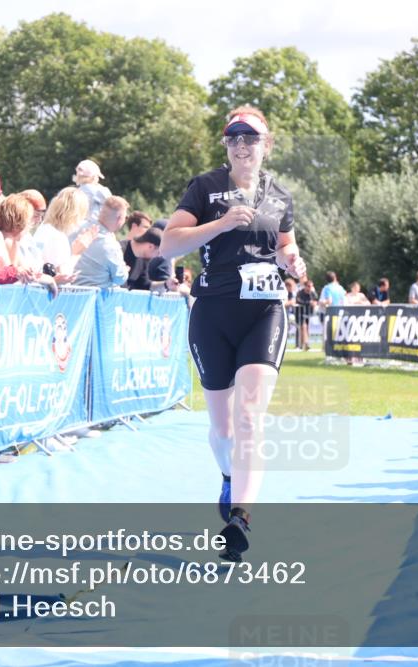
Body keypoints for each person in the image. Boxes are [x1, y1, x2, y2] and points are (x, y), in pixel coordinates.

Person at [159, 106, 305, 561]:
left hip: (264, 312)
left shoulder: (280, 195)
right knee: (222, 426)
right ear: (226, 145)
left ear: (268, 144)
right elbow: (169, 245)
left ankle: (241, 517)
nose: (242, 144)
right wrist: (220, 224)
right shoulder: (204, 187)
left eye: (251, 136)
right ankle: (228, 477)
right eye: (233, 137)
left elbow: (287, 247)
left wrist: (293, 263)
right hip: (213, 312)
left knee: (248, 417)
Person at [73, 196, 130, 288]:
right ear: (119, 218)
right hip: (95, 299)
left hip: (67, 293)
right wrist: (124, 270)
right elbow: (120, 279)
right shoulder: (111, 246)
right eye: (125, 217)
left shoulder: (78, 228)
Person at [33, 186, 89, 275]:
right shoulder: (57, 236)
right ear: (75, 214)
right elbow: (62, 274)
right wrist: (77, 253)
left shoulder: (45, 228)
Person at [73, 159, 111, 229]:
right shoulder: (100, 191)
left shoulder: (75, 192)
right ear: (94, 177)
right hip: (97, 229)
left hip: (78, 228)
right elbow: (113, 205)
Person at [122, 226, 164, 290]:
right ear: (150, 246)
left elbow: (145, 285)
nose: (158, 256)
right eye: (158, 252)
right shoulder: (119, 250)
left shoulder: (144, 259)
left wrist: (166, 284)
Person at [295, 278, 318, 351]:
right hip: (300, 313)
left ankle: (302, 345)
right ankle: (306, 343)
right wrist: (309, 303)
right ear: (305, 286)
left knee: (305, 328)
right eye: (308, 286)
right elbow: (298, 300)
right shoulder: (300, 292)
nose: (310, 288)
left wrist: (314, 303)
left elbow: (316, 300)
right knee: (303, 327)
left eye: (311, 286)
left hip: (308, 313)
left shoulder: (312, 293)